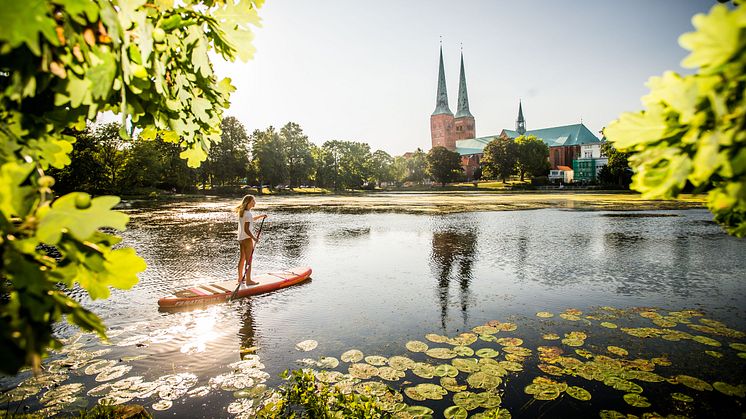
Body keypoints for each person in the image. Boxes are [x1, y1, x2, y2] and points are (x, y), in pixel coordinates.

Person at [234, 195, 267, 287]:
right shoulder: (248, 214)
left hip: (241, 238)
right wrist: (254, 238)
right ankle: (248, 280)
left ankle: (240, 279)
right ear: (249, 202)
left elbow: (250, 220)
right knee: (249, 260)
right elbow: (246, 229)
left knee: (242, 259)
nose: (255, 202)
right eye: (253, 201)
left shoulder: (243, 212)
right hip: (247, 239)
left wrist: (260, 216)